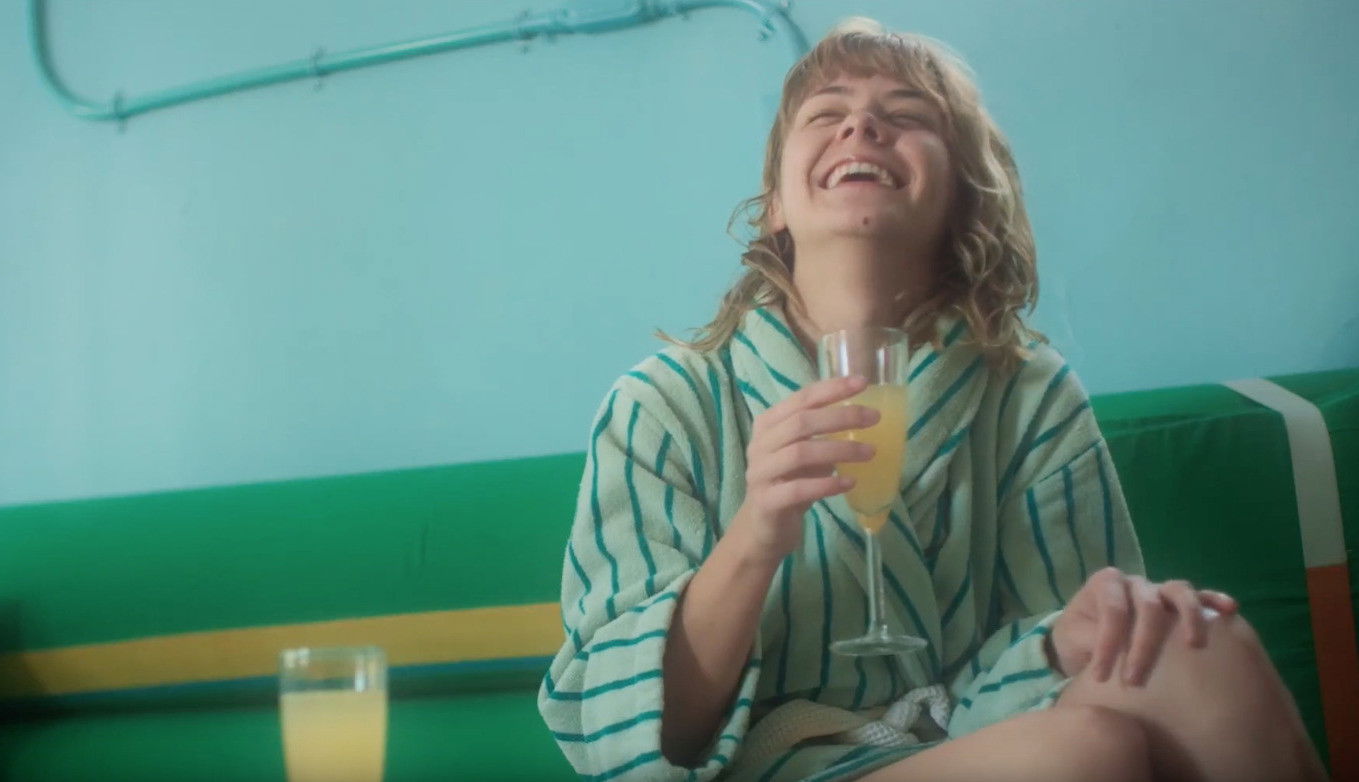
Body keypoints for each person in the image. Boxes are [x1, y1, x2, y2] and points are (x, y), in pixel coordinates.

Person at [538, 17, 1328, 782]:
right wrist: (755, 535)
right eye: (827, 114)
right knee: (1082, 752)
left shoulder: (1027, 392)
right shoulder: (661, 407)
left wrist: (1066, 635)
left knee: (1193, 640)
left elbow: (1083, 650)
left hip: (985, 722)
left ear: (958, 195)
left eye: (906, 115)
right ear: (774, 202)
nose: (861, 127)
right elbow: (629, 741)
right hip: (779, 765)